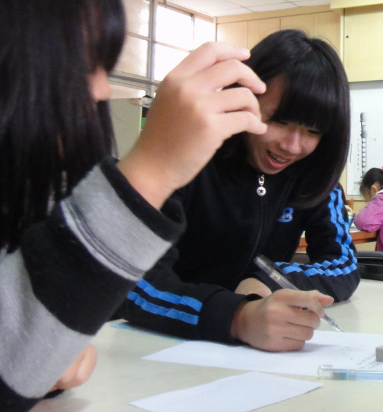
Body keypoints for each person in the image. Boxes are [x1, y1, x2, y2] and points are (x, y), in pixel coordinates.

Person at [0, 0, 268, 410]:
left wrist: (31, 354)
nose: (104, 92)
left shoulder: (9, 180)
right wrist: (150, 170)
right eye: (81, 64)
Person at [117, 29, 360, 352]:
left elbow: (344, 264)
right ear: (245, 98)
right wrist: (237, 316)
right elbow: (133, 283)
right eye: (279, 121)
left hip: (246, 356)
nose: (292, 146)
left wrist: (266, 280)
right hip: (149, 345)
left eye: (313, 131)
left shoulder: (312, 174)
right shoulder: (188, 157)